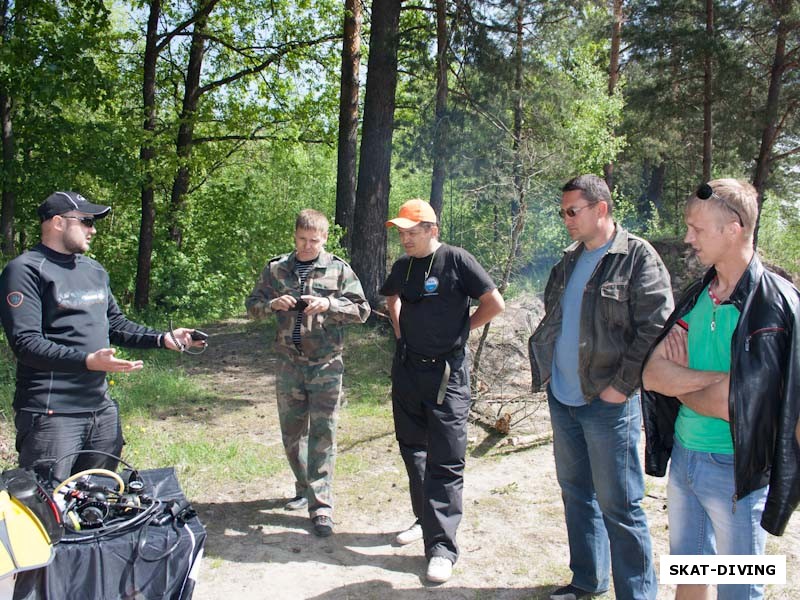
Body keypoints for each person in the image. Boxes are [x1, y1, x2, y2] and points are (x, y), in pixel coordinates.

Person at [641, 179, 800, 600]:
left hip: (738, 471)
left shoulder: (775, 306)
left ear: (734, 227)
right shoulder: (696, 297)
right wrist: (720, 386)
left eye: (697, 228)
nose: (687, 238)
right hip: (684, 460)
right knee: (689, 578)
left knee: (738, 590)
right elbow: (652, 374)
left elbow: (746, 405)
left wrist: (683, 381)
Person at [528, 175, 673, 600]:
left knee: (621, 506)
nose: (566, 220)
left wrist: (620, 388)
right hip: (564, 399)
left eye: (573, 211)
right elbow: (555, 318)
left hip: (607, 403)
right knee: (576, 494)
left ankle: (637, 595)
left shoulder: (637, 257)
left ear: (601, 209)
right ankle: (587, 581)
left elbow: (656, 327)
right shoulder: (568, 260)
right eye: (563, 213)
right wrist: (552, 379)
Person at [0, 191, 205, 483]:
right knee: (46, 507)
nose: (92, 229)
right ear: (57, 222)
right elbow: (27, 345)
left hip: (101, 409)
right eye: (85, 221)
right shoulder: (25, 270)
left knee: (99, 500)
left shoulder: (93, 270)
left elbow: (115, 324)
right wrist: (87, 361)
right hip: (51, 414)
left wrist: (162, 338)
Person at [380, 198, 504, 583]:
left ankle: (442, 549)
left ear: (432, 230)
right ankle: (424, 521)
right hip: (408, 372)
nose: (405, 239)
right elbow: (391, 298)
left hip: (447, 376)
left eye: (412, 232)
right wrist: (401, 333)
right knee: (413, 450)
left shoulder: (457, 260)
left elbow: (494, 303)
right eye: (400, 232)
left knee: (446, 459)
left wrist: (463, 328)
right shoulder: (403, 266)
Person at [246, 209, 369, 537]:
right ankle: (303, 488)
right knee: (292, 434)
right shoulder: (276, 269)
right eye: (302, 239)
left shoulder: (338, 270)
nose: (307, 246)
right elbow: (252, 305)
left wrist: (330, 306)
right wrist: (272, 304)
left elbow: (362, 310)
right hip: (288, 364)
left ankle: (322, 506)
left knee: (323, 433)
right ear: (294, 235)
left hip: (327, 364)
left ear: (325, 238)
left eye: (314, 240)